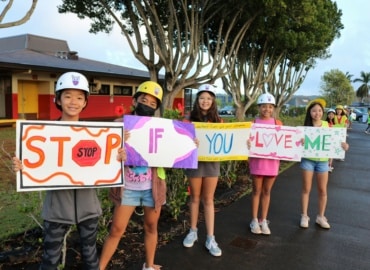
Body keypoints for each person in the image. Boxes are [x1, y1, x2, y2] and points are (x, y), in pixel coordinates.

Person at [12, 71, 126, 269]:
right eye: (67, 96)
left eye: (79, 97)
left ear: (85, 102)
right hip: (56, 210)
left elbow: (106, 164)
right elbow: (34, 169)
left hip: (88, 208)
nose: (73, 101)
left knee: (90, 258)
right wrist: (22, 168)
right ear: (58, 99)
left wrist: (118, 158)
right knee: (49, 260)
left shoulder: (98, 135)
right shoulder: (43, 133)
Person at [99, 81, 166, 270]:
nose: (148, 105)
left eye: (153, 104)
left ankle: (149, 265)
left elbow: (173, 151)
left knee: (151, 228)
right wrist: (119, 140)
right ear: (135, 100)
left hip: (151, 187)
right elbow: (105, 154)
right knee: (116, 230)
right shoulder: (119, 125)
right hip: (127, 187)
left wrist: (187, 141)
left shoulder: (161, 128)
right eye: (144, 100)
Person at [182, 84, 223, 257]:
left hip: (212, 164)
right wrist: (190, 141)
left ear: (212, 101)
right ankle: (193, 230)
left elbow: (227, 142)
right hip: (194, 162)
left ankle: (210, 237)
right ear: (197, 100)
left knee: (208, 199)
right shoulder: (188, 119)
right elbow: (181, 140)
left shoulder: (219, 121)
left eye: (208, 98)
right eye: (202, 98)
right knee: (195, 198)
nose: (205, 101)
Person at [300, 99, 349, 230]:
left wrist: (344, 146)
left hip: (323, 162)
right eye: (314, 110)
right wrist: (300, 141)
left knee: (323, 190)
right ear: (310, 112)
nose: (317, 113)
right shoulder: (305, 128)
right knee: (306, 189)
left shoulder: (328, 125)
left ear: (323, 112)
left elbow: (337, 141)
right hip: (308, 160)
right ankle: (304, 215)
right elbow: (296, 144)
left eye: (320, 111)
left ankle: (320, 216)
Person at [247, 92, 282, 235]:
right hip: (257, 162)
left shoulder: (278, 123)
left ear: (273, 108)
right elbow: (246, 141)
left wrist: (298, 141)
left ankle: (264, 219)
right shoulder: (252, 123)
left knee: (267, 191)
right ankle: (254, 219)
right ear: (259, 107)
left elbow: (285, 141)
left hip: (272, 163)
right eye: (263, 106)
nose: (267, 109)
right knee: (256, 191)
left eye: (270, 107)